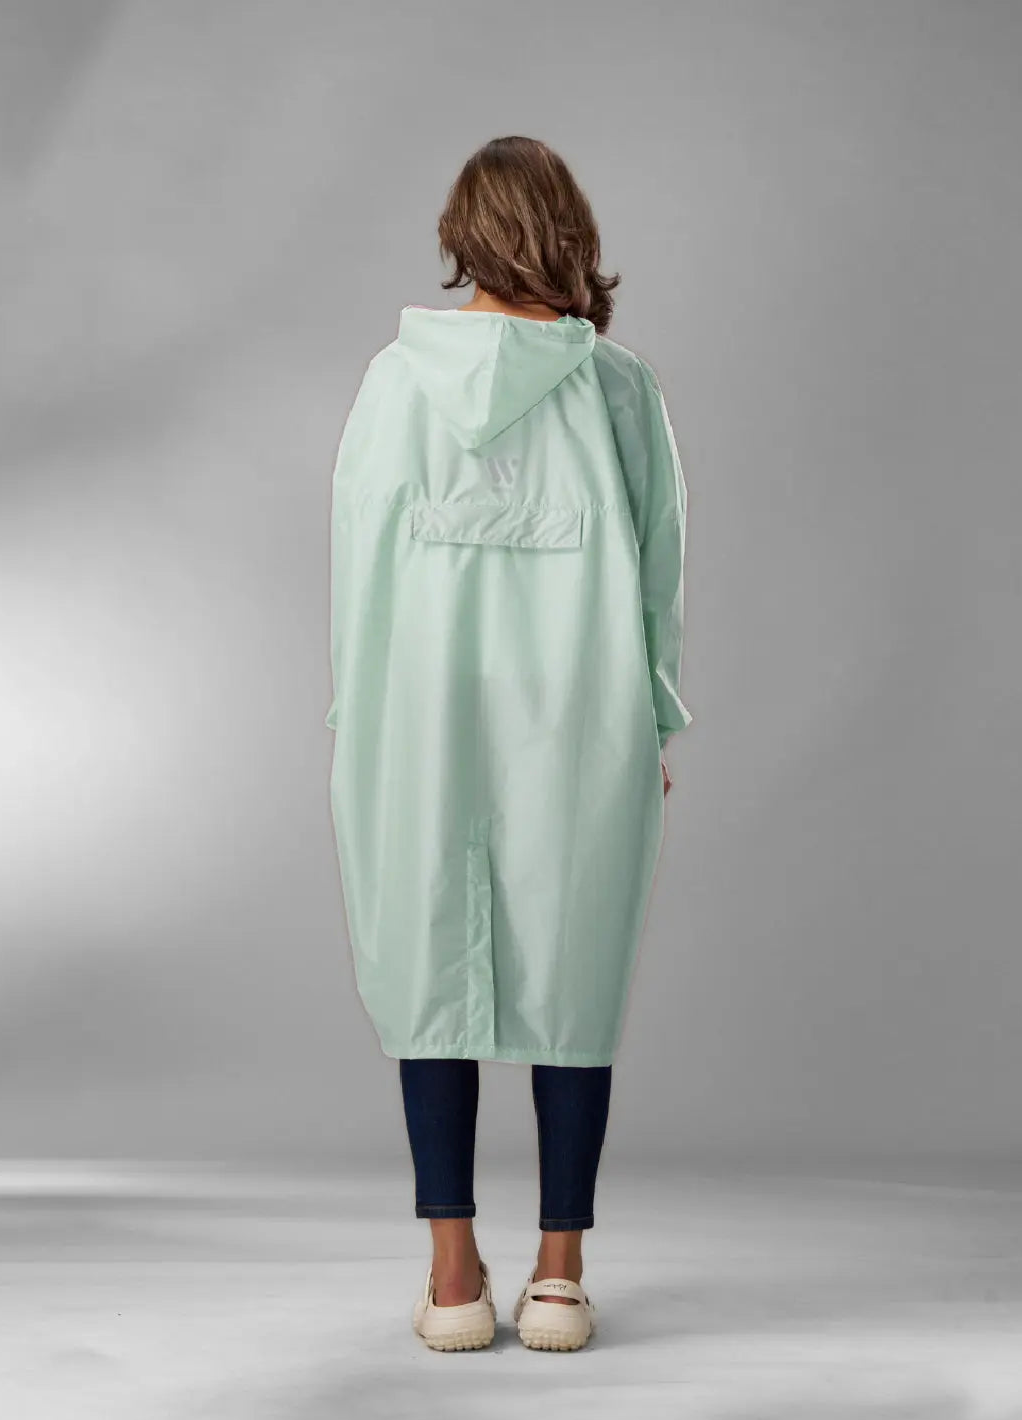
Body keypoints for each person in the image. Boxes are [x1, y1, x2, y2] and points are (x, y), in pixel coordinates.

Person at [326, 136, 692, 1351]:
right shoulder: (618, 387)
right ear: (569, 230)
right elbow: (658, 571)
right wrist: (654, 714)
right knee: (574, 972)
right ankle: (559, 1276)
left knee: (429, 964)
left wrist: (354, 723)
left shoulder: (395, 381)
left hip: (420, 716)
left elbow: (357, 567)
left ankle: (450, 1280)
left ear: (462, 234)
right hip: (580, 708)